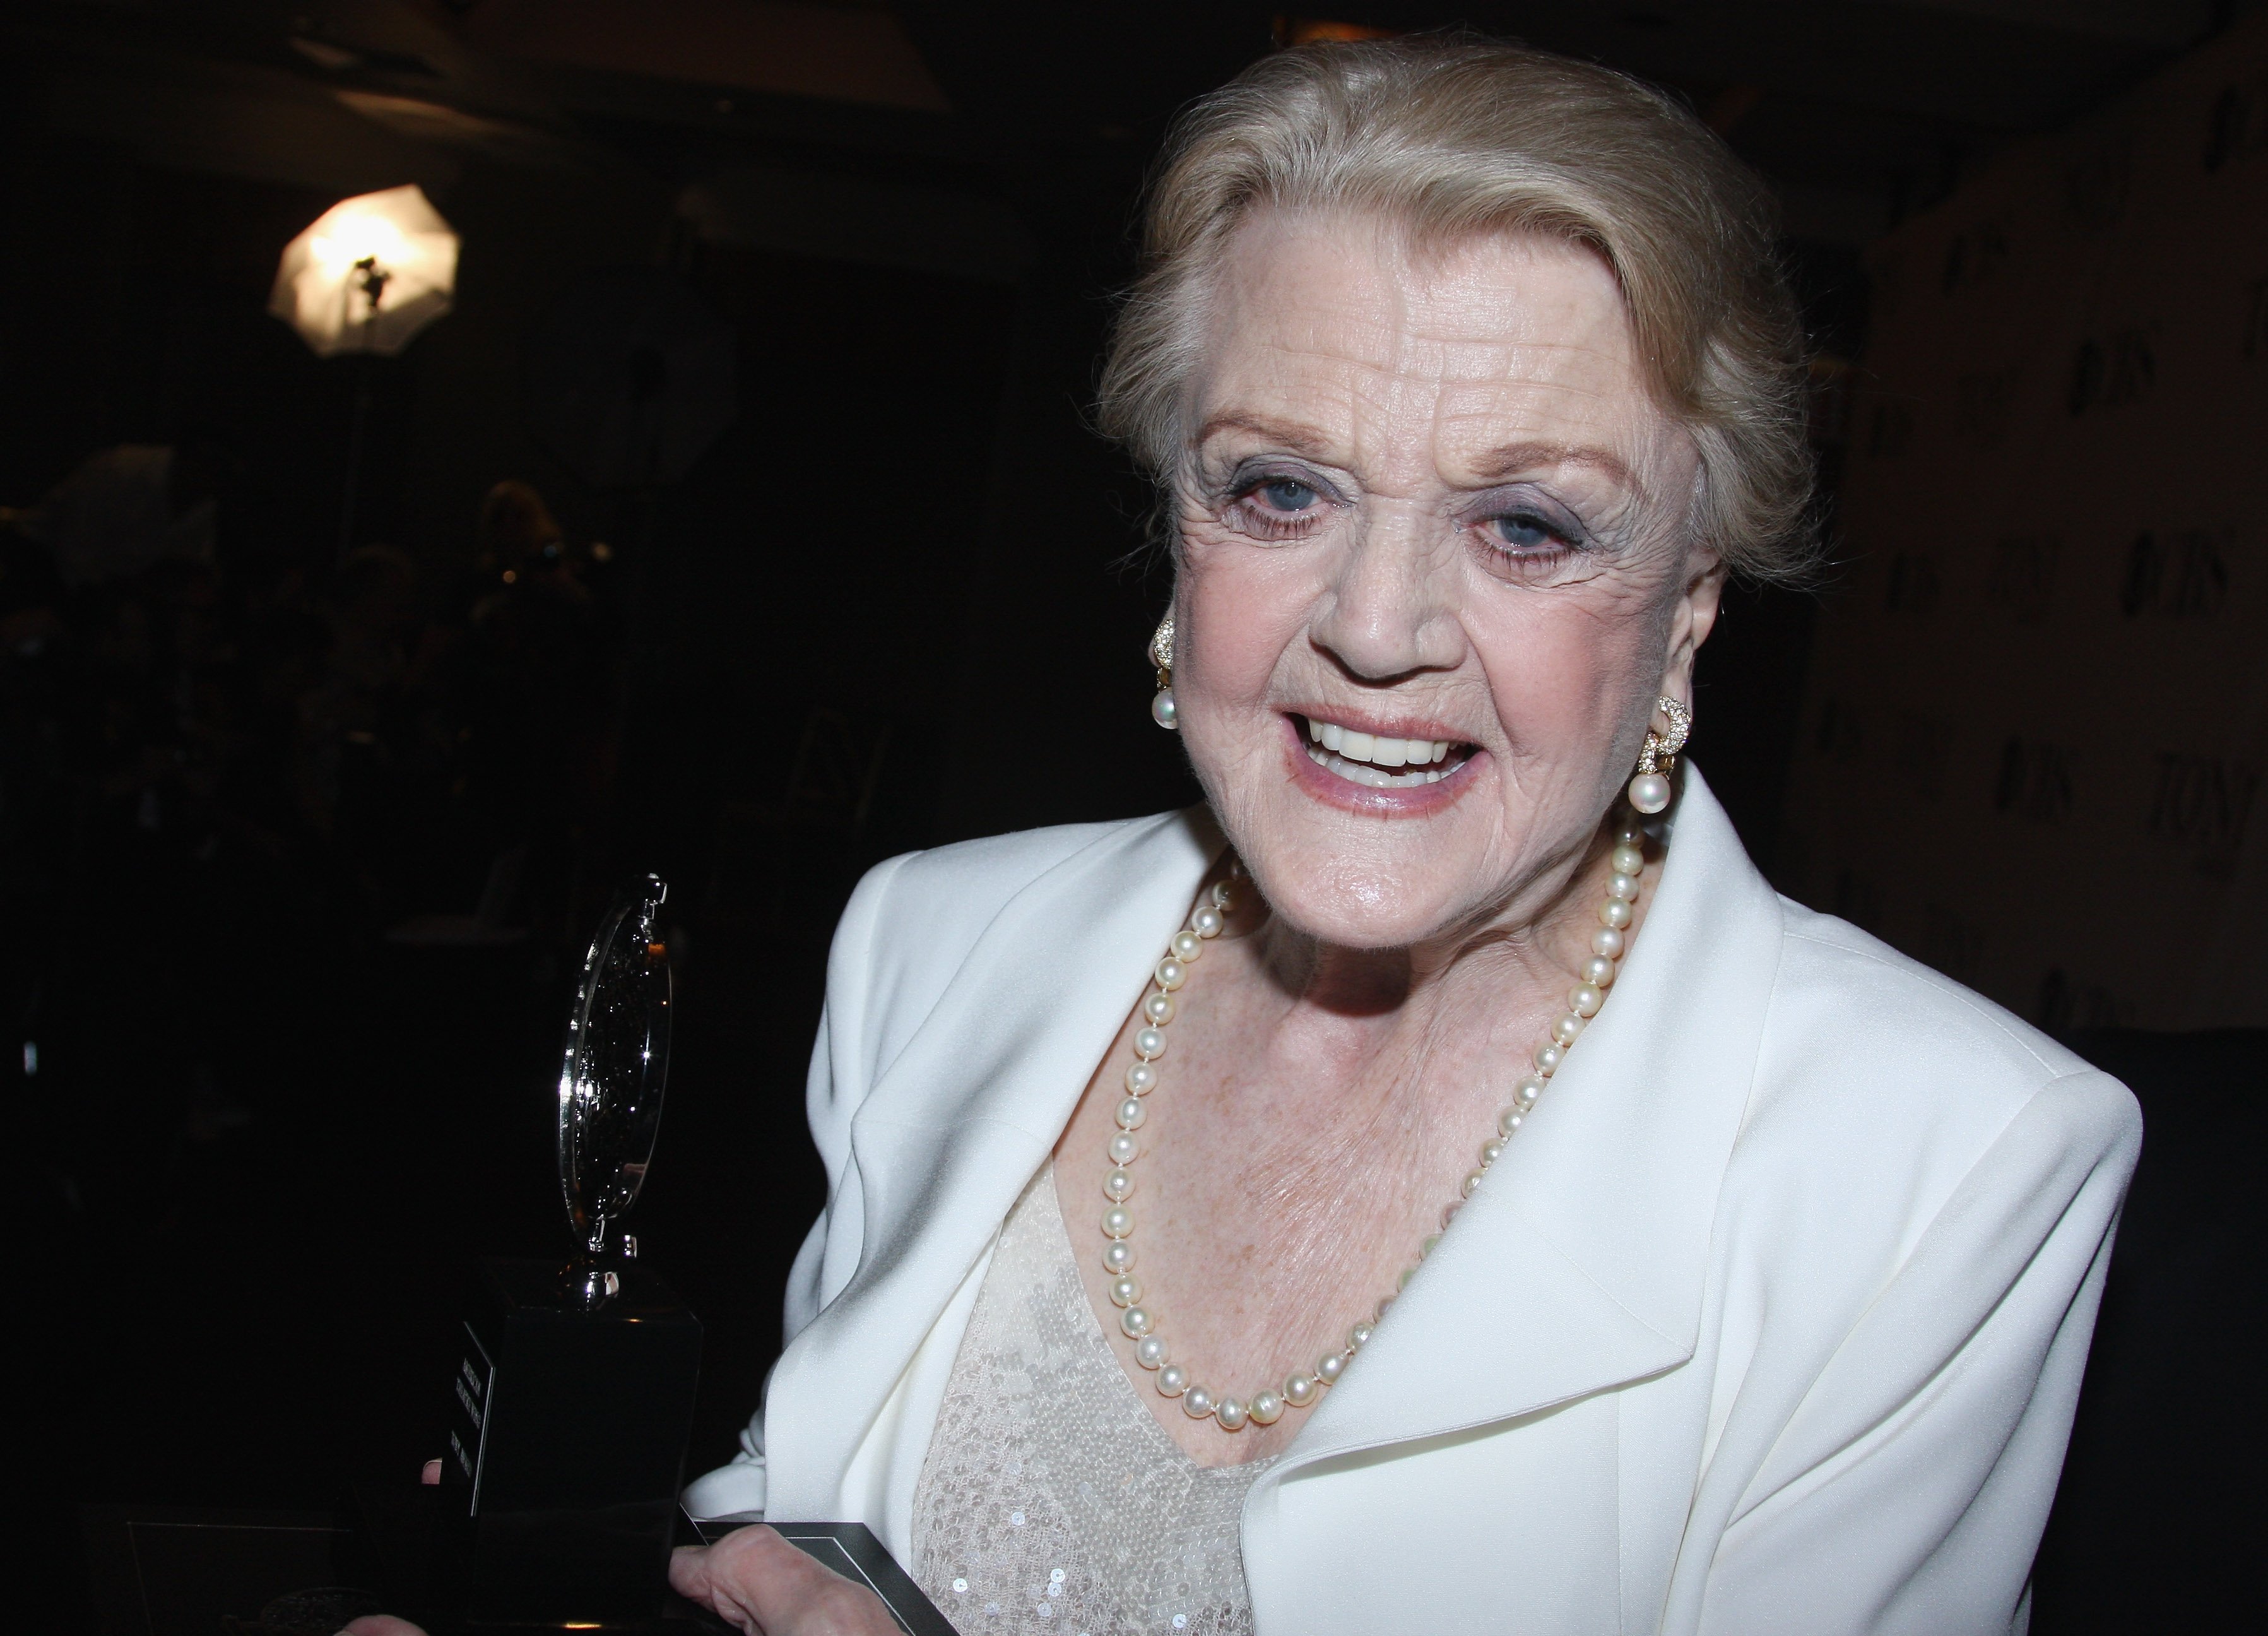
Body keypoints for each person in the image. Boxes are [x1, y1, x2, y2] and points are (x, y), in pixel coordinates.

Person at [357, 35, 2138, 1636]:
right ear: (1174, 526)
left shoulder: (1942, 1170)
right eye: (1280, 489)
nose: (1374, 626)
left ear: (1688, 604)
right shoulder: (936, 944)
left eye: (1524, 525)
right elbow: (808, 1507)